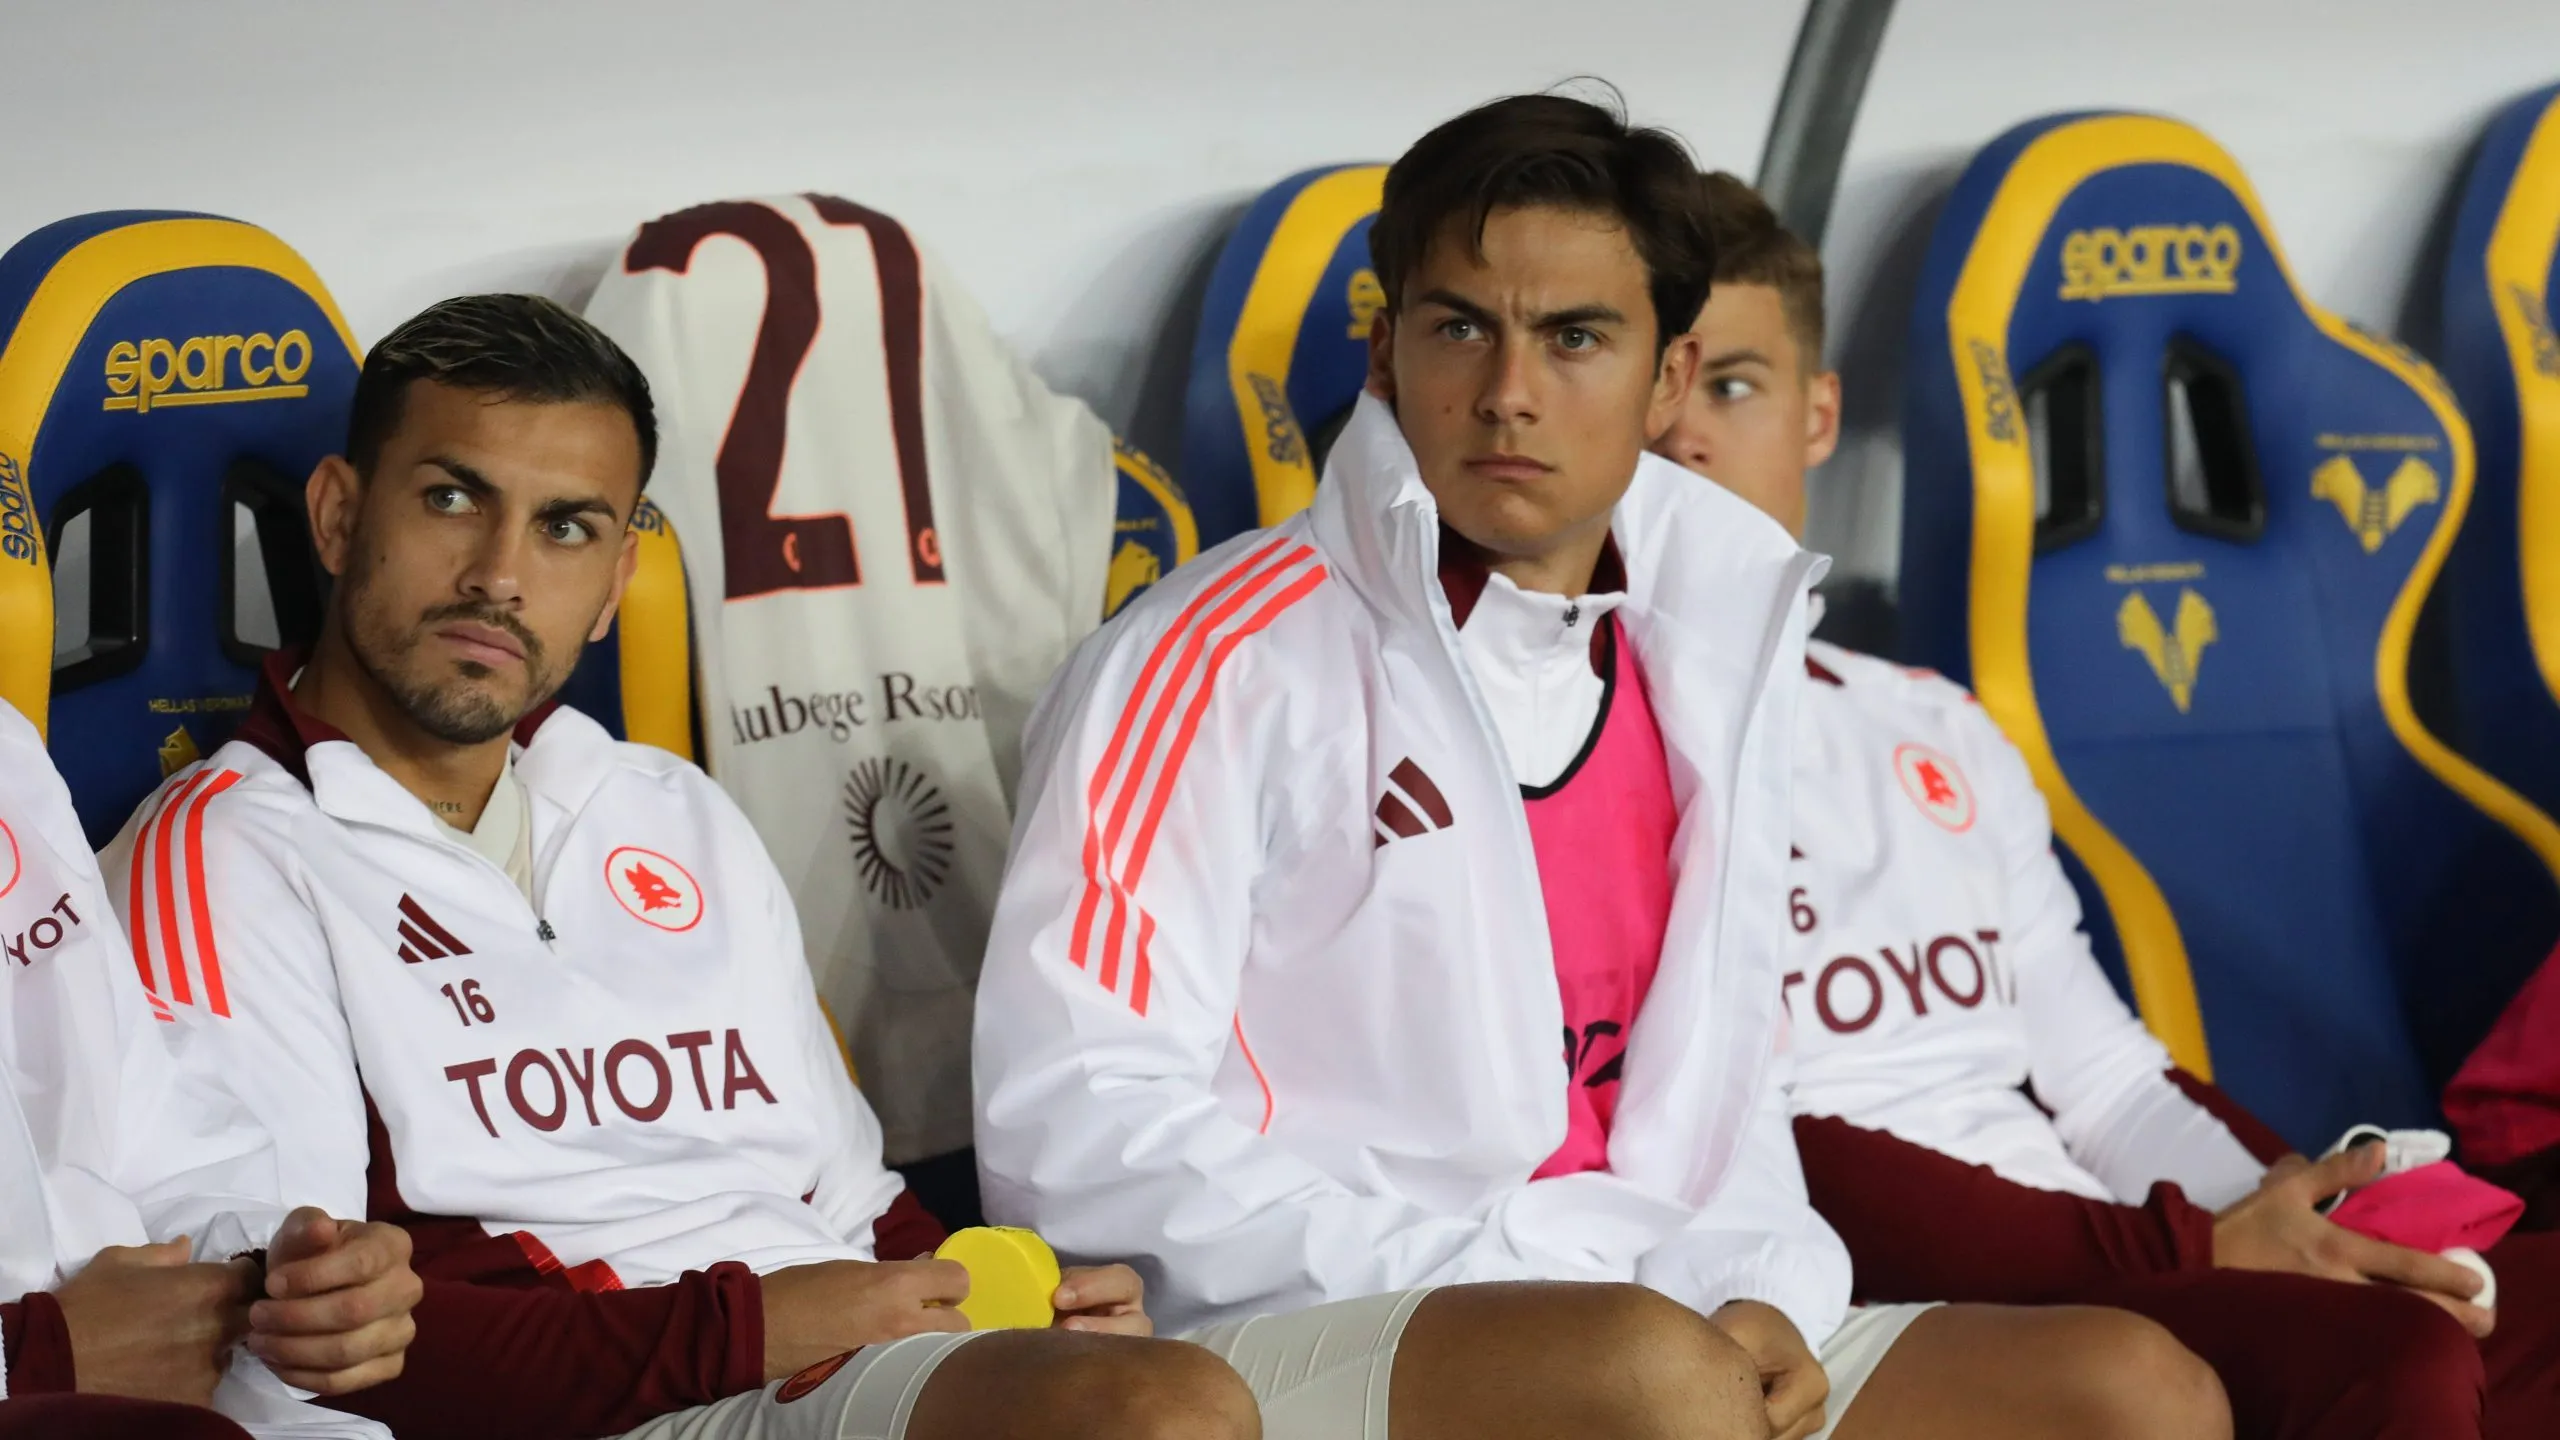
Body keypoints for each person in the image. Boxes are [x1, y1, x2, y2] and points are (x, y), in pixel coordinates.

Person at [973, 92, 2228, 1440]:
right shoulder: (1209, 662)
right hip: (1311, 1320)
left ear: (1667, 380)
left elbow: (1710, 1102)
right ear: (1387, 353)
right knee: (1646, 1381)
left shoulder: (1705, 653)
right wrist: (1534, 1294)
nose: (1509, 392)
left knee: (2134, 1392)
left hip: (1649, 1304)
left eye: (1576, 338)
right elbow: (1078, 1121)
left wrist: (1760, 1293)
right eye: (1462, 327)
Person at [105, 294, 1259, 1440]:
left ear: (615, 583)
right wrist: (747, 1333)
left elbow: (853, 1205)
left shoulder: (669, 809)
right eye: (453, 499)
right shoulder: (224, 851)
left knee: (1406, 1357)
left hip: (815, 1362)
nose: (500, 575)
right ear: (339, 514)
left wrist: (1020, 1315)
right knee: (1161, 1416)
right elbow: (288, 1352)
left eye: (566, 528)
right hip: (629, 1407)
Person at [1652, 168, 2560, 1440]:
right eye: (1652, 387)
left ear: (1816, 416)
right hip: (1926, 1299)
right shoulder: (1579, 753)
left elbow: (2109, 1083)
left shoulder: (1930, 724)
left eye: (1732, 385)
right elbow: (1765, 1140)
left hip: (2133, 1252)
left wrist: (2295, 1215)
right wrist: (2195, 1247)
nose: (1682, 434)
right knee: (2389, 1362)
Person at [0, 697, 421, 1439]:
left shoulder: (8, 758)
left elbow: (140, 1138)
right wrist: (29, 1357)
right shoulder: (231, 827)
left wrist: (267, 1277)